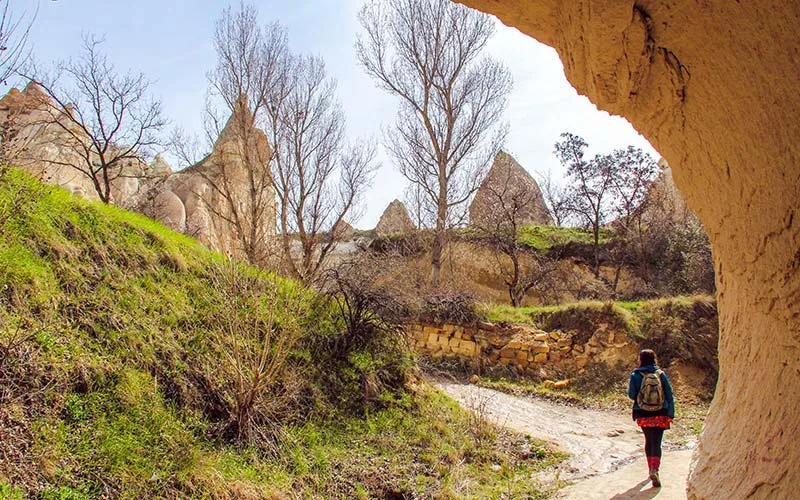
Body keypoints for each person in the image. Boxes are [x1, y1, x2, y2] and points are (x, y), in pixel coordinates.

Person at [628, 349, 675, 488]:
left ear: (641, 359)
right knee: (657, 442)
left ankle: (650, 470)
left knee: (649, 441)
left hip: (643, 413)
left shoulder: (636, 374)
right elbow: (669, 394)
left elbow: (631, 395)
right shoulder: (661, 374)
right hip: (661, 412)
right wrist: (671, 413)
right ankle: (655, 469)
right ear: (654, 359)